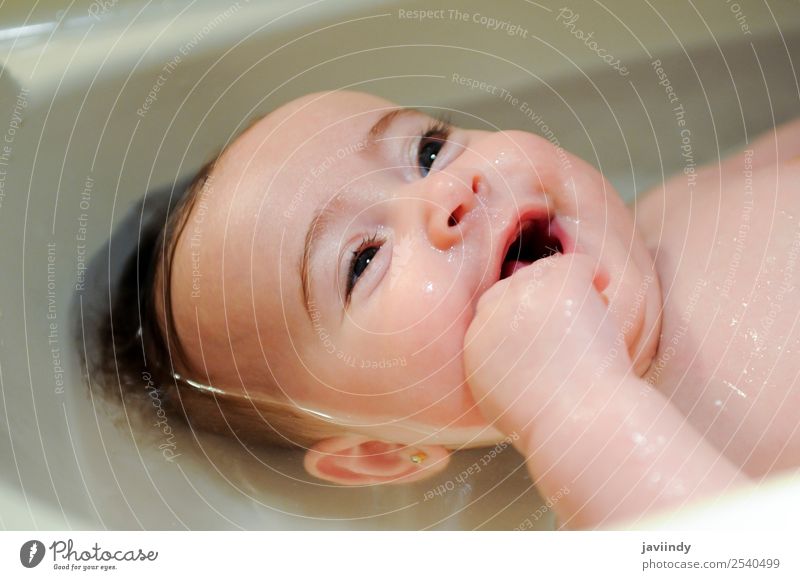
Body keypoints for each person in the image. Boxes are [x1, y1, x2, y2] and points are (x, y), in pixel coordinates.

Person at [103, 89, 800, 528]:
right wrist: (574, 406)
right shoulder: (613, 492)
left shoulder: (671, 207)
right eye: (363, 262)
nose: (446, 195)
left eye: (427, 151)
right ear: (383, 453)